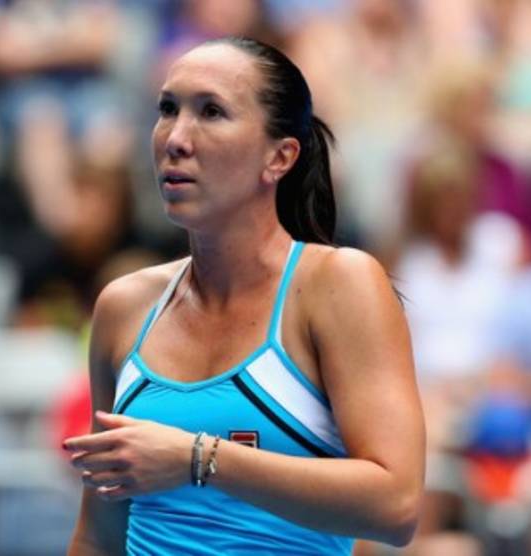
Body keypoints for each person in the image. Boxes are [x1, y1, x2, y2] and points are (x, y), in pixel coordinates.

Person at [64, 37, 425, 555]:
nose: (176, 138)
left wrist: (198, 458)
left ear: (279, 157)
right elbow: (98, 536)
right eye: (167, 109)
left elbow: (397, 505)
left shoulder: (338, 284)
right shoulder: (124, 306)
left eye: (211, 112)